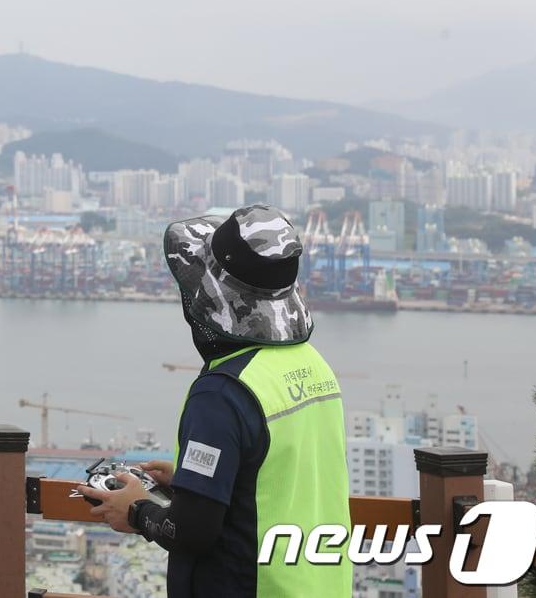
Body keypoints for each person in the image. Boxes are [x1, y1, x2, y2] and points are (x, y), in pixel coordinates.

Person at [78, 203, 351, 597]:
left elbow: (191, 532)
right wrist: (196, 482)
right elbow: (283, 474)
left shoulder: (222, 393)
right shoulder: (315, 367)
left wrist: (137, 511)